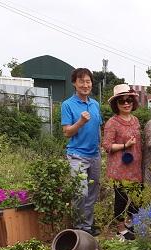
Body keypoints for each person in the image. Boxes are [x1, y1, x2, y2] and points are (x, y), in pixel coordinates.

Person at [61, 68, 103, 236]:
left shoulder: (95, 104)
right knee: (81, 192)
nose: (85, 85)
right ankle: (79, 228)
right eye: (81, 81)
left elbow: (98, 127)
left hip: (95, 155)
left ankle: (87, 226)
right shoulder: (67, 105)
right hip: (77, 155)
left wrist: (100, 146)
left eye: (88, 81)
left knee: (92, 193)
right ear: (74, 83)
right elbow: (67, 133)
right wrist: (80, 122)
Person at [102, 84, 142, 240]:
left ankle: (131, 224)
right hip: (119, 168)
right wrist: (125, 145)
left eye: (129, 100)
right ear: (116, 104)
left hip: (135, 167)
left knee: (136, 197)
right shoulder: (112, 122)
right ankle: (120, 228)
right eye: (122, 101)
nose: (126, 104)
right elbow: (107, 145)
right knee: (121, 199)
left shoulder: (136, 120)